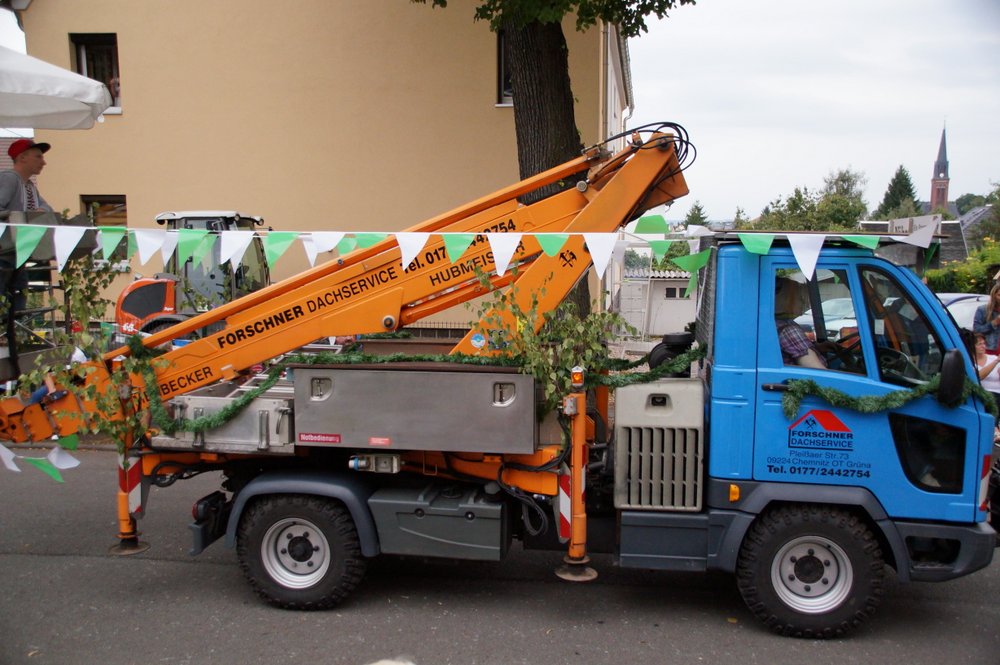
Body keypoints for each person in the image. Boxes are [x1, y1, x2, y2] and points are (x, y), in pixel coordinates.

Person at [774, 276, 827, 368]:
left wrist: (817, 347)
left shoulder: (776, 322)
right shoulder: (789, 330)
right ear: (785, 300)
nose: (805, 304)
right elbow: (818, 370)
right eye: (800, 298)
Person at [0, 139, 53, 213]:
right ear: (22, 158)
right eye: (38, 157)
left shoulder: (29, 185)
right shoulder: (9, 178)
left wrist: (41, 210)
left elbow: (47, 207)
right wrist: (17, 216)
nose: (44, 162)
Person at [974, 333, 1000, 434]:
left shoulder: (993, 358)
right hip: (983, 394)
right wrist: (996, 362)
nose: (983, 346)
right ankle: (994, 429)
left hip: (998, 393)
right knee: (991, 398)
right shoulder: (970, 361)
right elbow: (979, 376)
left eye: (984, 343)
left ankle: (995, 429)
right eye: (979, 344)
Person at [973, 284, 1000, 354]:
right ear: (994, 296)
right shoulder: (983, 310)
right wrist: (994, 323)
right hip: (990, 350)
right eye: (999, 295)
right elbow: (976, 330)